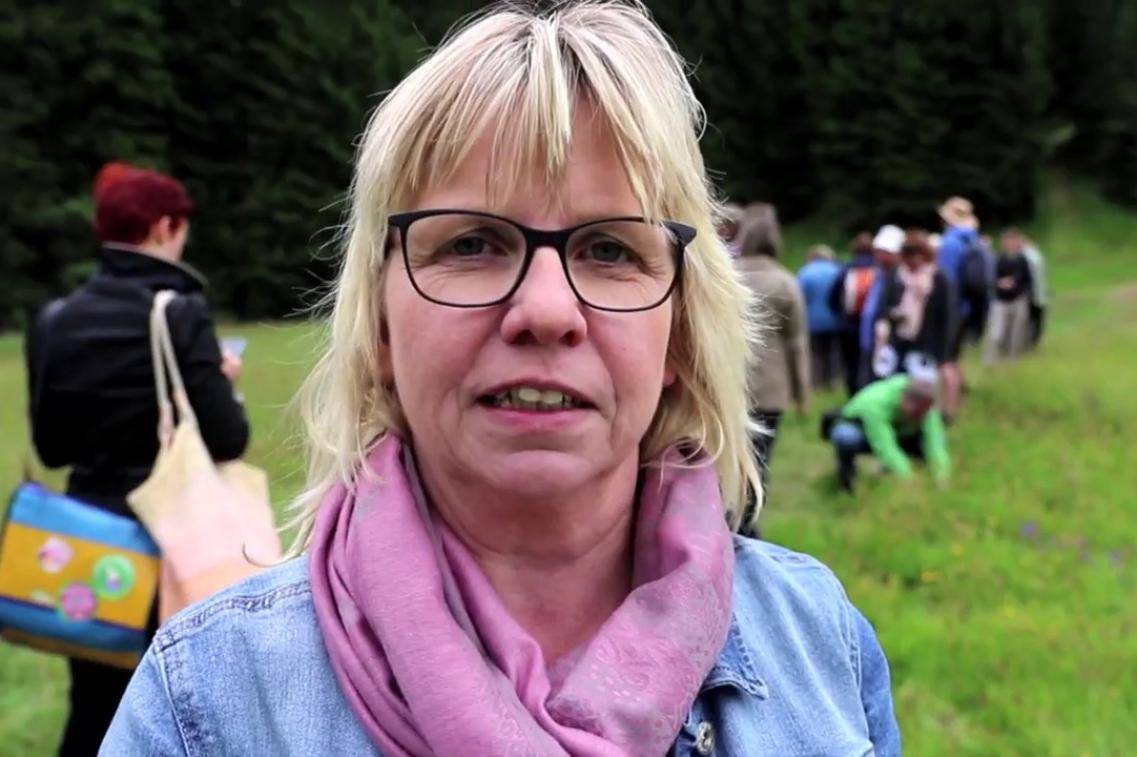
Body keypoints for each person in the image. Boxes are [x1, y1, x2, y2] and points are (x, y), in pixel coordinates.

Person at [104, 3, 900, 755]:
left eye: (611, 249)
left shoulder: (819, 642)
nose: (546, 310)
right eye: (472, 244)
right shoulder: (208, 699)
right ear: (379, 325)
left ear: (680, 333)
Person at [25, 162, 249, 757]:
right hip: (172, 542)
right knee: (178, 715)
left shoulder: (54, 319)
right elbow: (228, 438)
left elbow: (51, 447)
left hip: (85, 545)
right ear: (163, 227)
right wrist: (223, 385)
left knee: (93, 708)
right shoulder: (178, 311)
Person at [734, 202, 810, 516]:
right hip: (770, 390)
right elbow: (797, 344)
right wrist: (802, 394)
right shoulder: (785, 282)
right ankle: (749, 522)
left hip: (728, 384)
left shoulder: (727, 275)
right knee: (760, 460)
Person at [829, 373, 951, 493]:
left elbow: (935, 444)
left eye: (921, 414)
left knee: (942, 438)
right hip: (864, 430)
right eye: (915, 413)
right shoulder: (877, 404)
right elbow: (885, 447)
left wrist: (941, 476)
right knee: (845, 436)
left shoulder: (926, 408)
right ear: (906, 399)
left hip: (896, 432)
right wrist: (909, 479)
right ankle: (847, 478)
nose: (918, 417)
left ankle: (888, 472)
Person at [872, 231, 956, 377]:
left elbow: (947, 315)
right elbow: (884, 305)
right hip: (899, 339)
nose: (912, 262)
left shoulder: (938, 278)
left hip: (927, 342)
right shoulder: (896, 275)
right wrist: (893, 315)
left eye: (916, 256)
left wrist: (945, 352)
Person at [935, 196, 988, 421]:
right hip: (969, 308)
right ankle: (960, 399)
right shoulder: (975, 241)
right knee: (956, 356)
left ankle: (948, 410)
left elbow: (945, 279)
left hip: (952, 308)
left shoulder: (950, 242)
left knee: (945, 359)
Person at [828, 231, 877, 396]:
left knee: (850, 362)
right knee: (870, 361)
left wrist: (840, 315)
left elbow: (832, 297)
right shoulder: (879, 270)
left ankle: (852, 393)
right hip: (871, 325)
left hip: (848, 324)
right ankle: (869, 392)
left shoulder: (846, 270)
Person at [857, 225, 904, 388]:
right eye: (878, 251)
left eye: (884, 252)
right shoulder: (879, 273)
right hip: (869, 336)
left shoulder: (898, 275)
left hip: (886, 339)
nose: (879, 255)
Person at [797, 244, 844, 390]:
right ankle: (832, 381)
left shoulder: (805, 272)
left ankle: (817, 382)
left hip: (812, 321)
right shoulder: (838, 270)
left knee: (816, 353)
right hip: (835, 320)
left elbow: (799, 297)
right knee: (833, 352)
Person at [983, 231, 1034, 364]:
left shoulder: (1022, 259)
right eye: (1008, 241)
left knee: (1016, 332)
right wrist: (999, 283)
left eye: (1013, 241)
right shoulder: (998, 258)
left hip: (1018, 299)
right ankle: (990, 359)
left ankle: (1013, 358)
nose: (1011, 244)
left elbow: (1028, 280)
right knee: (996, 332)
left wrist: (1018, 287)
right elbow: (990, 278)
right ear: (1004, 243)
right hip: (1000, 300)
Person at [1007, 229, 1048, 348]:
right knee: (1036, 320)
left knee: (1031, 319)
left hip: (1032, 293)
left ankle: (1029, 342)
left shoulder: (1026, 256)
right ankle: (1032, 341)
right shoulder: (1035, 253)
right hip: (1038, 293)